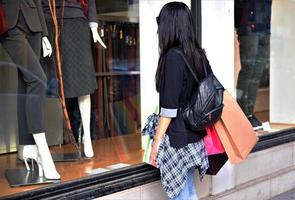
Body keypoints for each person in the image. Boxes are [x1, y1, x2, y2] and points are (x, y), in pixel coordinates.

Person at [150, 2, 209, 200]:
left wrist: (155, 144)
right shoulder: (198, 55)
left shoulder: (172, 58)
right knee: (188, 191)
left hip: (179, 140)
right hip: (195, 136)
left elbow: (169, 108)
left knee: (181, 195)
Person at [0, 0, 60, 179]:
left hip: (33, 20)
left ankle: (27, 147)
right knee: (37, 79)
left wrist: (44, 34)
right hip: (8, 21)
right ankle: (43, 152)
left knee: (26, 83)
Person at [42, 0, 106, 158]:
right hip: (49, 20)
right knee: (46, 83)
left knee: (83, 83)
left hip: (76, 22)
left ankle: (88, 139)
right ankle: (41, 143)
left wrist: (93, 25)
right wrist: (42, 31)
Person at [235, 0, 272, 130]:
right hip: (249, 28)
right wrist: (241, 23)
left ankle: (250, 112)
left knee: (258, 72)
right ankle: (242, 113)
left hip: (265, 28)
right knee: (248, 70)